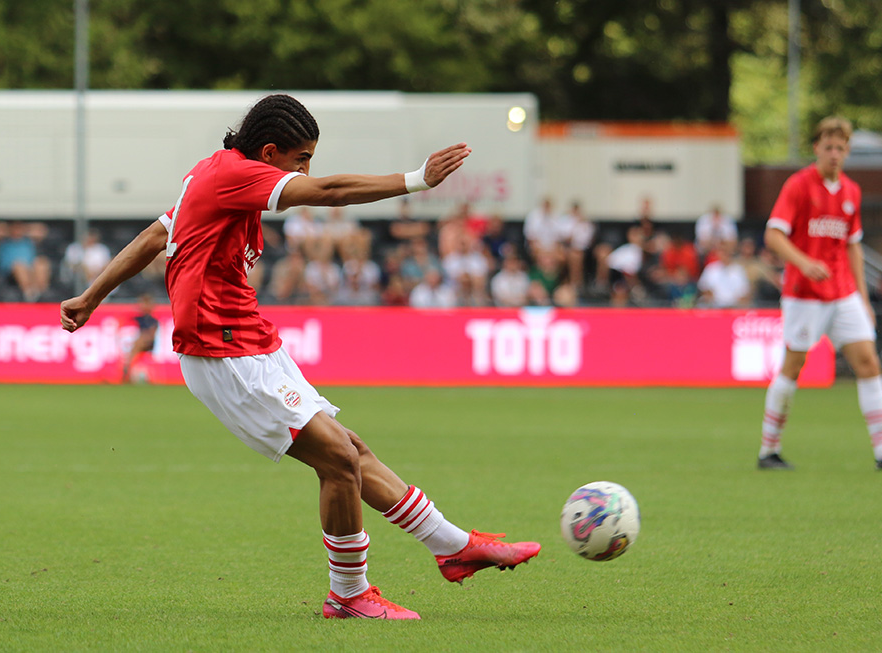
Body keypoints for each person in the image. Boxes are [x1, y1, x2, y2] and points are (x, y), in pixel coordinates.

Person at [60, 94, 539, 620]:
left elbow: (157, 234)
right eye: (301, 159)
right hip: (220, 352)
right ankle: (349, 594)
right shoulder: (235, 175)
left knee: (350, 452)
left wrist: (91, 296)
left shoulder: (212, 174)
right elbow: (330, 192)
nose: (308, 170)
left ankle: (451, 546)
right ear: (268, 153)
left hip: (254, 343)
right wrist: (417, 179)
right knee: (336, 458)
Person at [756, 116, 882, 471]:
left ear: (848, 152)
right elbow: (773, 235)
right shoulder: (799, 185)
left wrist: (862, 297)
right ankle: (768, 451)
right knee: (793, 364)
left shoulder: (851, 191)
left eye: (841, 148)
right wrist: (803, 263)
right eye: (828, 147)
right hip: (804, 294)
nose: (834, 154)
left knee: (868, 362)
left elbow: (853, 248)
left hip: (843, 292)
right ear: (816, 148)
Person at [0, 220, 51, 301]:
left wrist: (25, 229)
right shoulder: (4, 241)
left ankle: (41, 292)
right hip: (10, 271)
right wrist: (10, 231)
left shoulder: (28, 241)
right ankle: (29, 293)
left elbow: (41, 229)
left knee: (41, 262)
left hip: (29, 269)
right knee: (19, 265)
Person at [122, 293, 159, 383]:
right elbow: (126, 319)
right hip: (140, 343)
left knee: (138, 342)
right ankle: (129, 368)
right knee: (137, 342)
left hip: (149, 344)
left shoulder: (153, 320)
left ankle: (127, 367)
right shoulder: (140, 318)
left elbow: (152, 335)